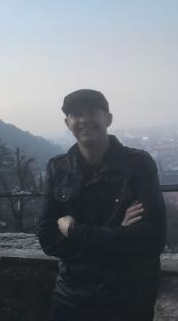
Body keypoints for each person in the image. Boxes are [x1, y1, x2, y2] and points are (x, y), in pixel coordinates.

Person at [37, 89, 166, 321]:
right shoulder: (58, 168)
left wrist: (75, 231)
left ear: (108, 118)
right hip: (72, 297)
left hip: (127, 297)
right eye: (76, 114)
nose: (84, 119)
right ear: (67, 123)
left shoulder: (138, 165)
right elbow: (47, 238)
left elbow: (152, 238)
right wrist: (119, 234)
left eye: (92, 112)